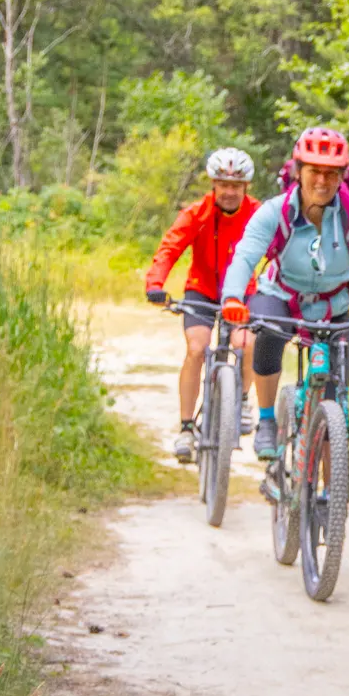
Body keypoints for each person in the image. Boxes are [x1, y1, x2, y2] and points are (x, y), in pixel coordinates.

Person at [218, 127, 349, 457]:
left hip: (333, 306)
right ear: (298, 171)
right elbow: (246, 254)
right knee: (269, 334)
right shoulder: (276, 210)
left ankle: (327, 499)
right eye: (315, 171)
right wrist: (231, 297)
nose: (322, 182)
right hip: (281, 295)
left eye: (331, 174)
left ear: (343, 175)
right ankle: (267, 420)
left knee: (334, 404)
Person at [145, 147, 261, 463]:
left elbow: (283, 245)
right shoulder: (197, 213)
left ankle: (242, 402)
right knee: (197, 348)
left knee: (246, 342)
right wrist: (155, 284)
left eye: (235, 186)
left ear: (245, 187)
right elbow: (169, 248)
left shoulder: (258, 214)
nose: (228, 191)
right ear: (213, 183)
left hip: (242, 293)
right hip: (202, 291)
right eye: (223, 184)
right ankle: (186, 428)